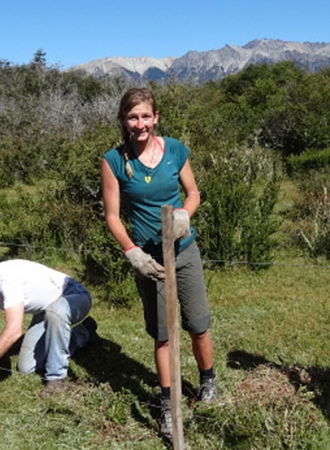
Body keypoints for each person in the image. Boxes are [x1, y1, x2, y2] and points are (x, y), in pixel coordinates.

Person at [100, 87, 218, 438]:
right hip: (149, 260)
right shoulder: (114, 161)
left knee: (198, 323)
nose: (140, 124)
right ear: (123, 120)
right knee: (163, 335)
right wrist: (131, 252)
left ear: (156, 117)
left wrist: (184, 214)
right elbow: (112, 216)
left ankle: (208, 381)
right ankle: (168, 403)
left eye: (146, 116)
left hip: (184, 250)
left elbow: (193, 192)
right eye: (133, 117)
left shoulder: (175, 151)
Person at [0, 259, 98, 402]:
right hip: (46, 311)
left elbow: (14, 330)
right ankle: (83, 333)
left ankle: (57, 379)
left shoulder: (6, 278)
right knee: (26, 366)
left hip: (73, 297)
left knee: (56, 311)